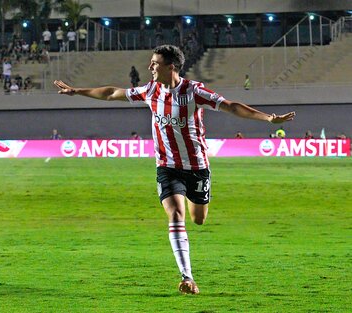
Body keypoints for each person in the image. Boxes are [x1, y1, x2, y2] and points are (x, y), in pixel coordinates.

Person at [53, 44, 295, 295]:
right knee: (176, 215)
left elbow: (231, 106)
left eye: (155, 64)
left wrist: (268, 118)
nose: (150, 68)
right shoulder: (150, 91)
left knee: (198, 219)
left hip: (197, 167)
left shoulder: (194, 92)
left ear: (171, 67)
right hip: (167, 166)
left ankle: (190, 247)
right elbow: (113, 92)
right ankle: (187, 276)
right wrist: (77, 91)